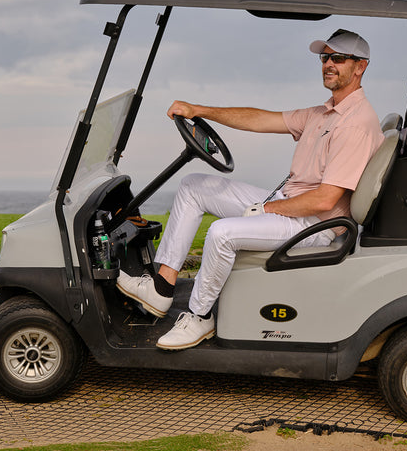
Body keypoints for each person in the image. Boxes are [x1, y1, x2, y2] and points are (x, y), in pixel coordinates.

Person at [116, 29, 384, 350]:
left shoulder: (355, 124)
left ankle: (200, 317)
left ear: (360, 66)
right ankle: (161, 288)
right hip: (291, 204)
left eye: (338, 58)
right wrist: (198, 109)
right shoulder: (323, 113)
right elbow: (259, 119)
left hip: (314, 224)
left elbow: (326, 200)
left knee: (221, 233)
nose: (328, 64)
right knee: (194, 186)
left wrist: (267, 209)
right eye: (325, 57)